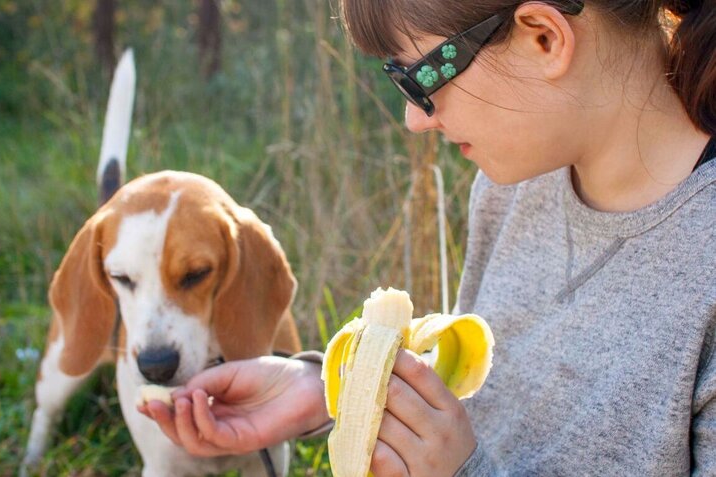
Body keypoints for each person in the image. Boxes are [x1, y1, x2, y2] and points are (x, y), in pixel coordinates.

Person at [139, 0, 716, 474]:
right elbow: (491, 400)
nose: (415, 119)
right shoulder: (510, 188)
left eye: (419, 76)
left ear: (544, 38)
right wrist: (332, 388)